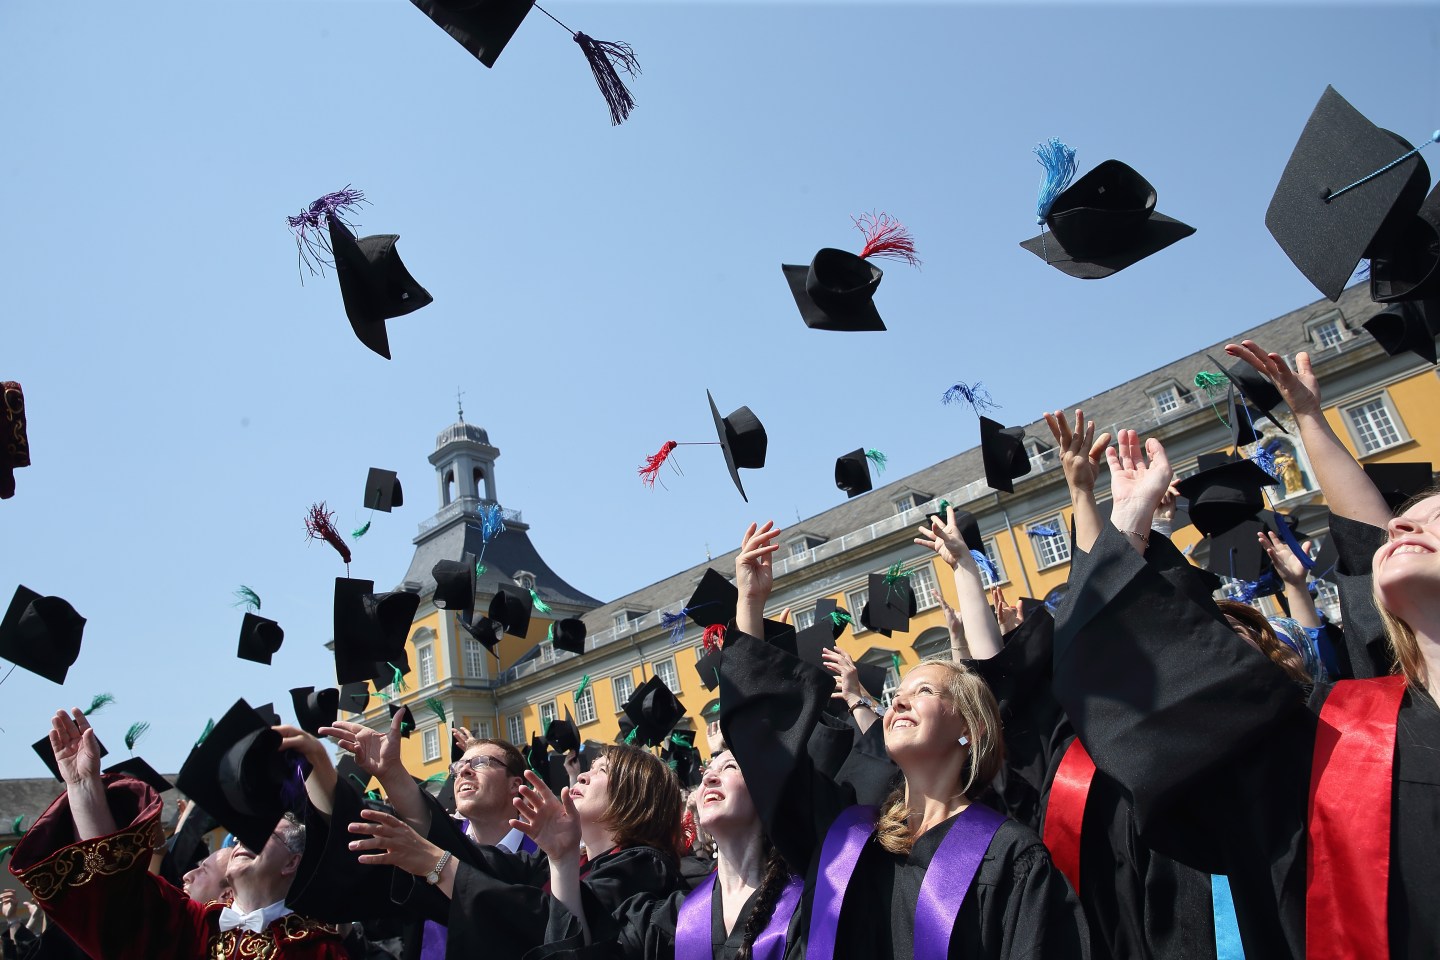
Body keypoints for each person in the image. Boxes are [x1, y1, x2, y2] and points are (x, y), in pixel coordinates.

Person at [1051, 421, 1440, 959]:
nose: (1399, 529)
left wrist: (1309, 419)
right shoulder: (1335, 740)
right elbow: (1118, 661)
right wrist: (1129, 520)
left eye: (1435, 518)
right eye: (1397, 525)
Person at [718, 521, 1090, 960]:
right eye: (897, 695)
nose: (898, 703)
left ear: (971, 728)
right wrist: (749, 601)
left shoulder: (1009, 856)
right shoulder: (849, 838)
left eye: (925, 692)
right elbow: (768, 747)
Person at [7, 708, 346, 960]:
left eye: (268, 834)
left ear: (292, 862)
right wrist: (83, 788)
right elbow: (114, 897)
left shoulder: (317, 949)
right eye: (242, 837)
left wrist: (318, 760)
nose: (244, 840)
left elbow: (341, 855)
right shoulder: (192, 927)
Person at [342, 742, 685, 960]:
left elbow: (546, 922)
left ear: (636, 797)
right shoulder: (552, 859)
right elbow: (479, 861)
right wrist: (394, 777)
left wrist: (440, 864)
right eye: (589, 768)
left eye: (601, 771)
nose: (582, 776)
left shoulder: (643, 865)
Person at [534, 746, 804, 960]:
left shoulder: (807, 907)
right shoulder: (667, 919)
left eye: (730, 766)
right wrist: (562, 861)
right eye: (708, 770)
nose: (708, 777)